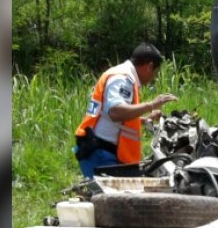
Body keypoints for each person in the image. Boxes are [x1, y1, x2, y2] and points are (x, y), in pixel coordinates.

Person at [74, 43, 177, 178]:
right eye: (155, 73)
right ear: (149, 66)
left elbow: (108, 115)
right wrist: (151, 104)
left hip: (100, 152)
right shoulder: (123, 78)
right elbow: (115, 112)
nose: (154, 78)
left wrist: (144, 119)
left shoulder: (122, 75)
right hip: (101, 155)